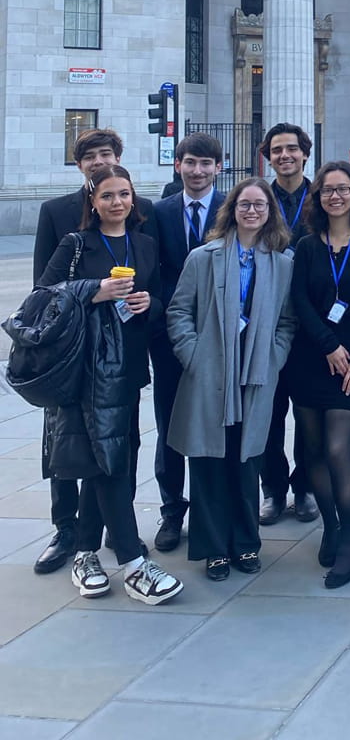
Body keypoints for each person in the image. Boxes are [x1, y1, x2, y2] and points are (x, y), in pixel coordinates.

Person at [37, 166, 182, 604]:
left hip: (128, 367)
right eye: (107, 196)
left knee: (112, 455)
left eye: (124, 194)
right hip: (87, 369)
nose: (117, 202)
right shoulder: (76, 243)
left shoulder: (145, 243)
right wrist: (93, 291)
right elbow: (43, 296)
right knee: (108, 460)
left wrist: (149, 303)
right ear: (93, 201)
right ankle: (132, 561)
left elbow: (160, 300)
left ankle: (85, 553)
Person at [167, 178, 295, 580]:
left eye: (260, 205)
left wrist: (273, 358)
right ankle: (213, 549)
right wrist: (193, 355)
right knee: (208, 462)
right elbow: (178, 311)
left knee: (246, 461)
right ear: (232, 209)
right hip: (209, 372)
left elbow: (287, 321)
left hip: (254, 373)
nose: (252, 211)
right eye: (245, 204)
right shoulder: (202, 258)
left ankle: (245, 543)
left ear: (270, 212)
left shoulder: (282, 263)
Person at [286, 162, 350, 588]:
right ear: (318, 198)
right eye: (327, 190)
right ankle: (330, 527)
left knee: (336, 449)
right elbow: (299, 300)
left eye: (343, 189)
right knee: (312, 452)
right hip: (312, 359)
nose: (335, 196)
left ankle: (349, 540)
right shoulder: (307, 245)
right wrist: (328, 344)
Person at [149, 132, 225, 552]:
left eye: (205, 163)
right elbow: (152, 270)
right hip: (170, 340)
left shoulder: (232, 208)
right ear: (177, 165)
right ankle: (172, 509)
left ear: (219, 167)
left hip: (222, 338)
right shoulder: (158, 212)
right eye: (190, 162)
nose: (197, 171)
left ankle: (211, 510)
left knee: (217, 424)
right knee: (170, 424)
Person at [258, 123, 318, 525]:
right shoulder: (257, 198)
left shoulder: (325, 196)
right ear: (268, 157)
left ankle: (305, 486)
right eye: (277, 150)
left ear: (305, 154)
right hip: (269, 321)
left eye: (292, 149)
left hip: (313, 321)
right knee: (268, 414)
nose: (285, 156)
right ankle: (273, 490)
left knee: (309, 415)